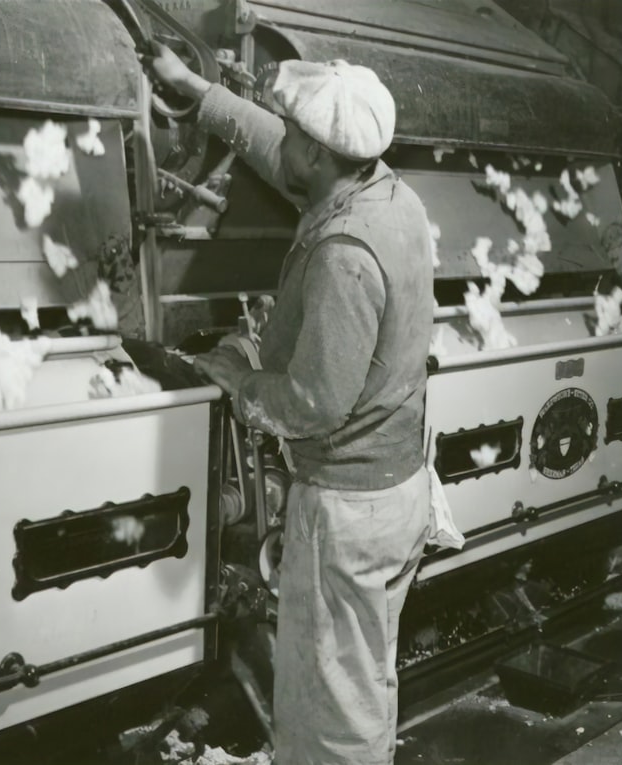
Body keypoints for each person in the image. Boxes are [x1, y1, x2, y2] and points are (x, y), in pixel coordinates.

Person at [144, 44, 435, 765]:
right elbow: (283, 155)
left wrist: (237, 378)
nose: (287, 140)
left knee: (332, 708)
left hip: (348, 511)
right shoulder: (389, 193)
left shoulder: (344, 255)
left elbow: (312, 402)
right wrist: (195, 92)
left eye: (297, 134)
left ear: (325, 155)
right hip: (397, 486)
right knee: (360, 679)